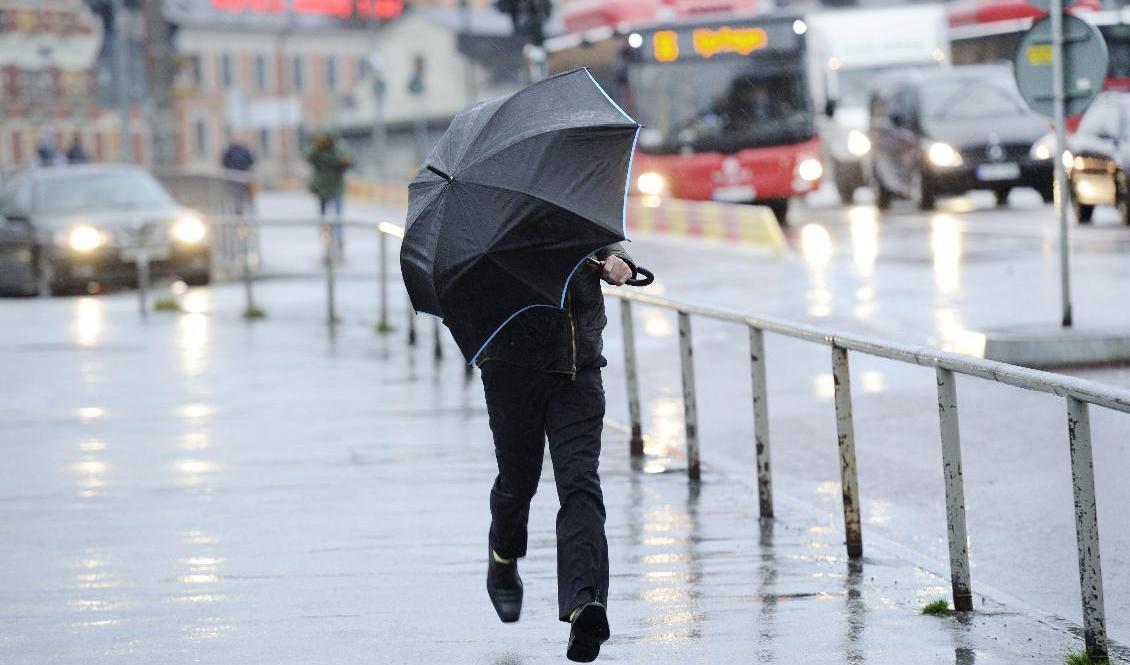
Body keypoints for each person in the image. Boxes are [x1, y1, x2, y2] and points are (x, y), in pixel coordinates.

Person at [477, 247, 635, 663]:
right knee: (518, 482)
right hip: (510, 367)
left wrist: (616, 260)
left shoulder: (569, 205)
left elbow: (604, 239)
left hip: (576, 367)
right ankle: (503, 556)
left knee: (580, 483)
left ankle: (585, 605)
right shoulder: (484, 224)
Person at [305, 133, 351, 260]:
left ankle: (338, 239)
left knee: (338, 217)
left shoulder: (338, 150)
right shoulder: (317, 150)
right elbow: (308, 156)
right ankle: (326, 240)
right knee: (323, 217)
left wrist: (341, 160)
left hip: (335, 187)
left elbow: (347, 162)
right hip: (322, 189)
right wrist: (317, 147)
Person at [221, 135, 256, 215]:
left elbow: (224, 162)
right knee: (242, 195)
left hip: (232, 176)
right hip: (242, 177)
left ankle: (238, 209)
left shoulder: (230, 151)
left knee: (235, 194)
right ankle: (240, 209)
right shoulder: (244, 150)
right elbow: (251, 162)